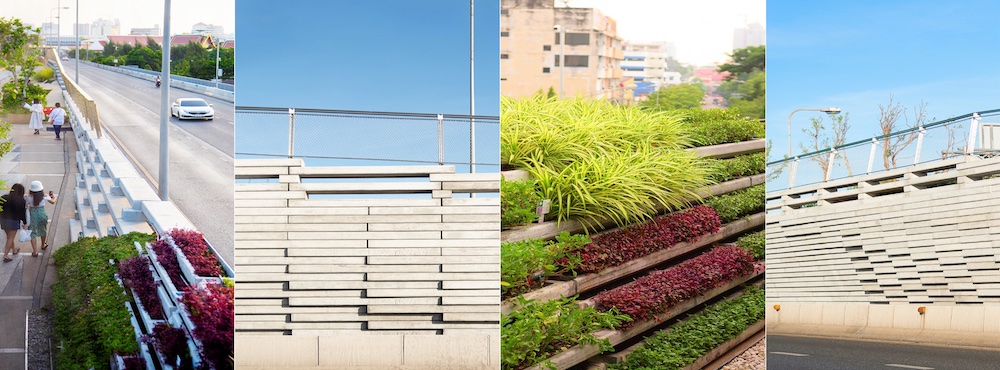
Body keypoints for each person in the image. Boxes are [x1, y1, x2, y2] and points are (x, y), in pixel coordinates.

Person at [25, 181, 55, 257]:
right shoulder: (45, 196)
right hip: (42, 213)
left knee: (32, 233)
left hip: (32, 214)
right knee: (43, 229)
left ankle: (35, 252)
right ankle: (43, 244)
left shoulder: (28, 197)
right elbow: (53, 202)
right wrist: (53, 197)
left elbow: (25, 205)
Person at [0, 184, 26, 262]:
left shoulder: (4, 197)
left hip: (3, 219)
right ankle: (6, 255)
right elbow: (22, 213)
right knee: (10, 238)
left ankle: (14, 250)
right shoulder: (21, 200)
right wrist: (25, 222)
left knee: (9, 237)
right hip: (13, 220)